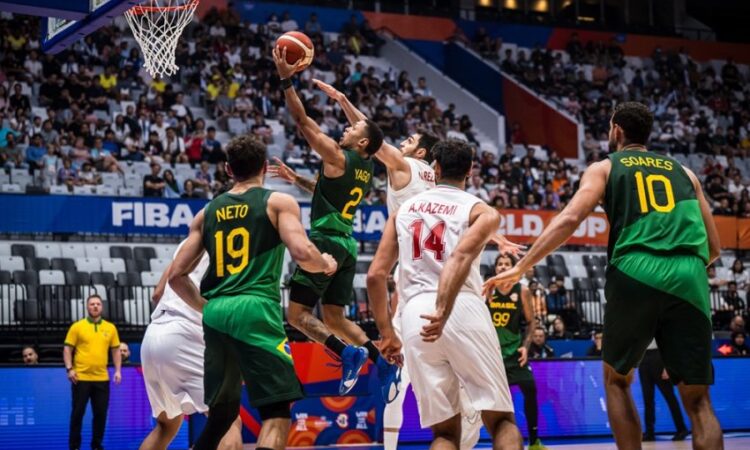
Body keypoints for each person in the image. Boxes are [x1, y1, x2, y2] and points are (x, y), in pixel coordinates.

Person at [484, 102, 724, 450]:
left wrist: (522, 265)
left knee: (617, 381)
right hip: (690, 276)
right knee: (699, 403)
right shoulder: (686, 173)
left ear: (616, 131)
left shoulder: (606, 166)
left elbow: (570, 219)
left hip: (635, 269)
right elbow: (714, 248)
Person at [169, 135, 337, 450]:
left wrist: (207, 308)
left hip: (216, 310)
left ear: (228, 170)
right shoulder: (277, 202)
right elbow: (301, 252)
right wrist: (324, 263)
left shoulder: (206, 213)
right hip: (256, 307)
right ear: (264, 167)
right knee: (277, 410)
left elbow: (176, 276)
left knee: (221, 415)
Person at [367, 139, 523, 450]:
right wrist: (443, 307)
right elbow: (460, 258)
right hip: (460, 305)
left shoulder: (403, 211)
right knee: (501, 420)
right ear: (470, 170)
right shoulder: (481, 211)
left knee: (443, 434)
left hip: (414, 317)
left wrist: (387, 334)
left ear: (434, 169)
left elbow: (375, 276)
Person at [272, 45, 393, 395]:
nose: (346, 129)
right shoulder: (367, 168)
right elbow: (328, 192)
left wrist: (285, 80)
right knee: (336, 318)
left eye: (353, 129)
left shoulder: (337, 155)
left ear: (363, 140)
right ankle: (380, 362)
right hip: (347, 246)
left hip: (324, 242)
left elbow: (302, 121)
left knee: (296, 316)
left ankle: (346, 354)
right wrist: (298, 180)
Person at [139, 241, 242, 450]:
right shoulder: (233, 237)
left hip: (154, 334)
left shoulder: (188, 242)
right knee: (228, 421)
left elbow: (157, 294)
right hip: (186, 332)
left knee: (166, 425)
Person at [486, 253, 547, 449]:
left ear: (513, 268)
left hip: (514, 353)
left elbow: (531, 323)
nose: (503, 267)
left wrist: (525, 347)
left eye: (507, 264)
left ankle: (534, 440)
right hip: (492, 356)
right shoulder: (487, 289)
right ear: (495, 269)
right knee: (494, 403)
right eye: (500, 264)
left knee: (530, 389)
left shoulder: (522, 290)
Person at [63, 295, 122, 450]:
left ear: (101, 307)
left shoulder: (110, 328)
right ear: (87, 307)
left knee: (101, 414)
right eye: (92, 304)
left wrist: (117, 371)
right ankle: (74, 446)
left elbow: (116, 350)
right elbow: (67, 348)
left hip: (102, 378)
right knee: (77, 414)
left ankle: (97, 445)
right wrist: (70, 368)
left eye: (98, 304)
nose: (95, 306)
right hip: (80, 378)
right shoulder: (77, 326)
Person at [639, 340, 689, 442]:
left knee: (670, 397)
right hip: (642, 357)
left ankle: (681, 429)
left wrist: (667, 366)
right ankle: (649, 433)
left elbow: (667, 342)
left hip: (659, 356)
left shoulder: (660, 323)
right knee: (647, 399)